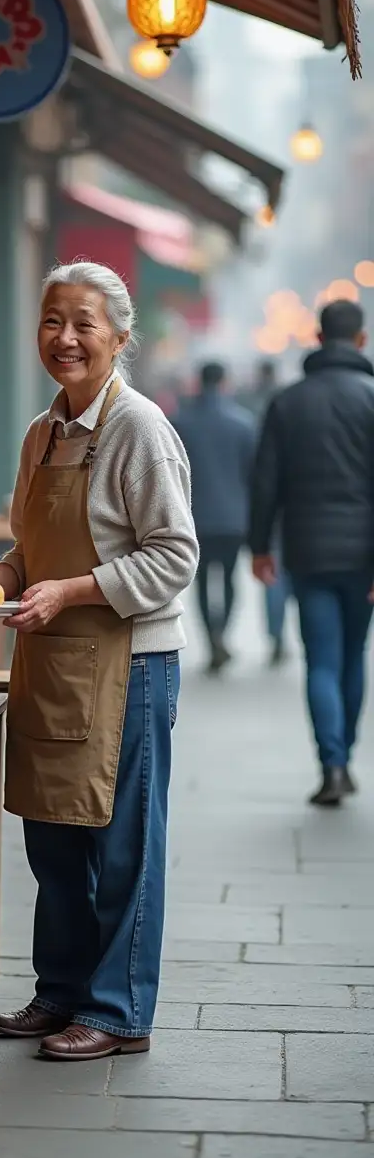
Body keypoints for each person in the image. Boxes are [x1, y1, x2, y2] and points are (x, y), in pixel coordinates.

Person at [0, 261, 198, 1061]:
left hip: (130, 667)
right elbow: (28, 546)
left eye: (85, 323)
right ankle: (62, 992)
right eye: (53, 320)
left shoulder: (139, 429)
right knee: (53, 841)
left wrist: (73, 589)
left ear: (120, 336)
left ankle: (117, 1012)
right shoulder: (42, 432)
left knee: (121, 847)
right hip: (53, 665)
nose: (66, 338)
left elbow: (175, 554)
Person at [250, 299, 374, 807]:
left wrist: (259, 546)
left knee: (320, 658)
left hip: (307, 551)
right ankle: (345, 751)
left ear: (318, 339)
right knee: (353, 656)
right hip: (364, 556)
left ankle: (332, 763)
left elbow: (264, 482)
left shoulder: (288, 401)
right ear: (361, 340)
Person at [172, 362, 257, 672]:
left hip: (195, 518)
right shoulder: (243, 423)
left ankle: (212, 638)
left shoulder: (181, 422)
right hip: (234, 518)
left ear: (199, 382)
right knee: (231, 579)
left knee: (204, 579)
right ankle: (222, 634)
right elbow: (253, 475)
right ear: (224, 383)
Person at [239, 360, 291, 665]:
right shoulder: (289, 403)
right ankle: (278, 637)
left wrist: (257, 542)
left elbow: (262, 477)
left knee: (276, 576)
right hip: (300, 506)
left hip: (276, 505)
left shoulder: (249, 403)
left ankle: (276, 636)